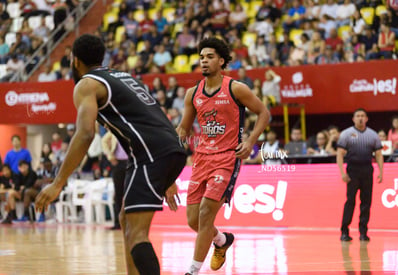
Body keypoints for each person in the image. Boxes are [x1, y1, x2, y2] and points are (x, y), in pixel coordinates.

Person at [35, 34, 186, 275]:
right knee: (126, 219)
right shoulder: (125, 77)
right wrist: (168, 175)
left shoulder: (86, 84)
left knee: (137, 234)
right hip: (167, 149)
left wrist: (58, 182)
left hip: (151, 155)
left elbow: (85, 135)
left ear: (75, 61)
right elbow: (153, 120)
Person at [176, 37, 270, 275]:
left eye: (209, 57)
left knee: (206, 212)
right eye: (201, 57)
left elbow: (263, 113)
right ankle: (221, 240)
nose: (204, 61)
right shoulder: (192, 94)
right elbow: (184, 130)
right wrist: (170, 139)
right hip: (201, 159)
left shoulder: (236, 88)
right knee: (193, 221)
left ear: (221, 61)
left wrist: (249, 141)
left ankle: (193, 270)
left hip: (227, 158)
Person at [337, 108, 383, 242]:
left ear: (367, 118)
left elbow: (379, 155)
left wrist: (381, 172)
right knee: (350, 201)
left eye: (363, 116)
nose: (360, 118)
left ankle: (363, 232)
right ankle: (344, 231)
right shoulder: (346, 134)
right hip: (353, 170)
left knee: (366, 202)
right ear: (353, 119)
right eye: (358, 116)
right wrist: (342, 172)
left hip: (367, 170)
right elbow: (339, 154)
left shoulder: (373, 135)